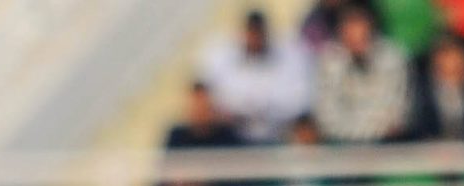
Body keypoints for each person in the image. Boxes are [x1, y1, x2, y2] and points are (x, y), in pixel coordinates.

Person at [198, 10, 312, 143]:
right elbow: (210, 98)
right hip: (233, 138)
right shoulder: (221, 57)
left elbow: (299, 101)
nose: (254, 38)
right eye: (251, 33)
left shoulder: (289, 58)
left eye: (258, 33)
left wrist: (266, 108)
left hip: (278, 136)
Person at [312, 5, 410, 143]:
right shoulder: (329, 61)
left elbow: (394, 116)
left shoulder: (392, 58)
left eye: (362, 33)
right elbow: (327, 118)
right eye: (350, 32)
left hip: (384, 144)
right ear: (341, 32)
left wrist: (369, 132)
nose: (356, 39)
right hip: (342, 145)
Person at [408, 35, 464, 141]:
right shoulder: (421, 91)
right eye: (445, 67)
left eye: (458, 66)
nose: (451, 65)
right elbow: (417, 128)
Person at [165, 81, 246, 152]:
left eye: (204, 106)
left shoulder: (226, 136)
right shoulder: (177, 137)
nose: (200, 112)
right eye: (196, 106)